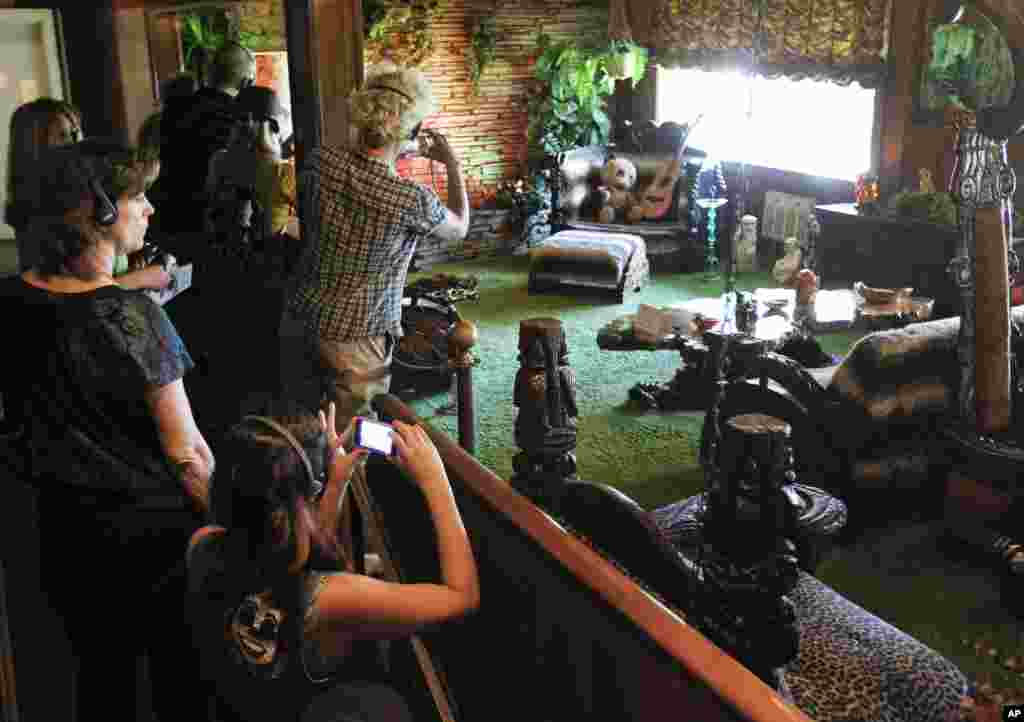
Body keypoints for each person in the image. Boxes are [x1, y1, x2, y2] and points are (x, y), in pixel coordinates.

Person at [0, 139, 216, 720]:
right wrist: (232, 524)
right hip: (142, 537)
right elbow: (187, 453)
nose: (148, 208)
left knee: (89, 679)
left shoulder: (10, 297)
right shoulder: (132, 316)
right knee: (167, 681)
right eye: (136, 195)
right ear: (95, 212)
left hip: (45, 525)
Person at [186, 401, 479, 722]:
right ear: (303, 501)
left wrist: (336, 483)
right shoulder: (328, 597)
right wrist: (436, 480)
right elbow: (460, 597)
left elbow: (290, 544)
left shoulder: (203, 543)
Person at [281, 63, 470, 431]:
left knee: (302, 428)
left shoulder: (319, 164)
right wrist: (453, 165)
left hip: (300, 318)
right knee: (356, 438)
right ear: (413, 130)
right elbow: (459, 228)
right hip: (357, 337)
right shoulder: (411, 199)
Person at [158, 40, 257, 237]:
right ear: (247, 83)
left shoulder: (173, 111)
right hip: (212, 230)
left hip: (168, 219)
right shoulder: (240, 121)